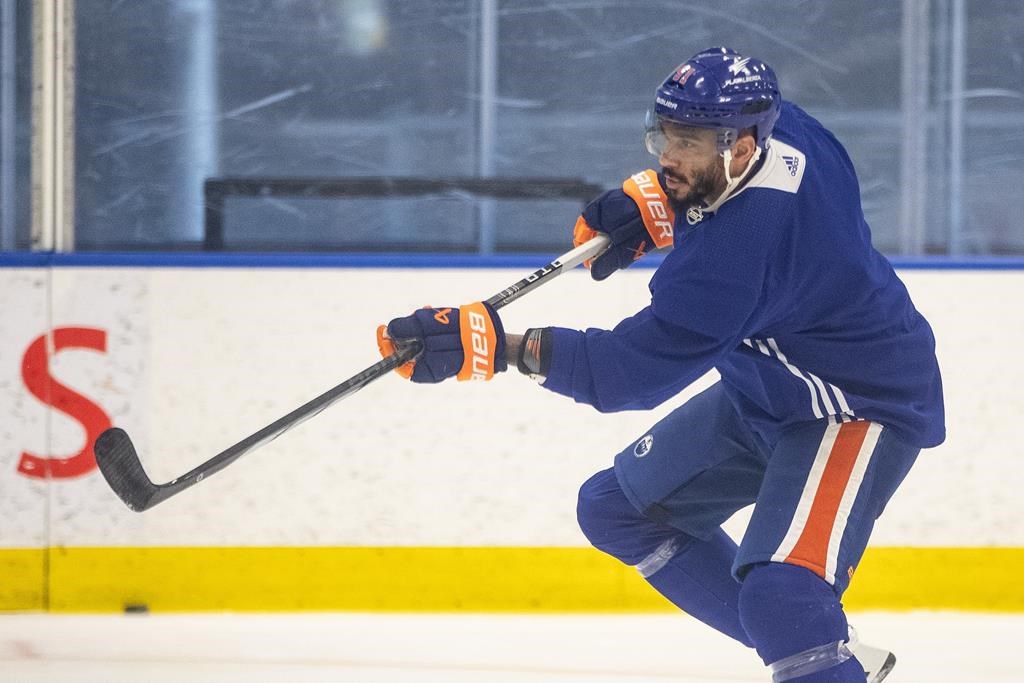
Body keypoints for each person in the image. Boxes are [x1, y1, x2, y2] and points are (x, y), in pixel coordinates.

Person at [376, 46, 944, 682]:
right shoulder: (792, 131)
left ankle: (810, 647)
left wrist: (500, 346)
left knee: (781, 595)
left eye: (690, 145)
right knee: (617, 510)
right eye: (665, 138)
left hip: (853, 404)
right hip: (769, 389)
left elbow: (630, 374)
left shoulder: (732, 264)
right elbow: (728, 198)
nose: (669, 157)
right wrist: (661, 202)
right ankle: (818, 649)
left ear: (741, 144)